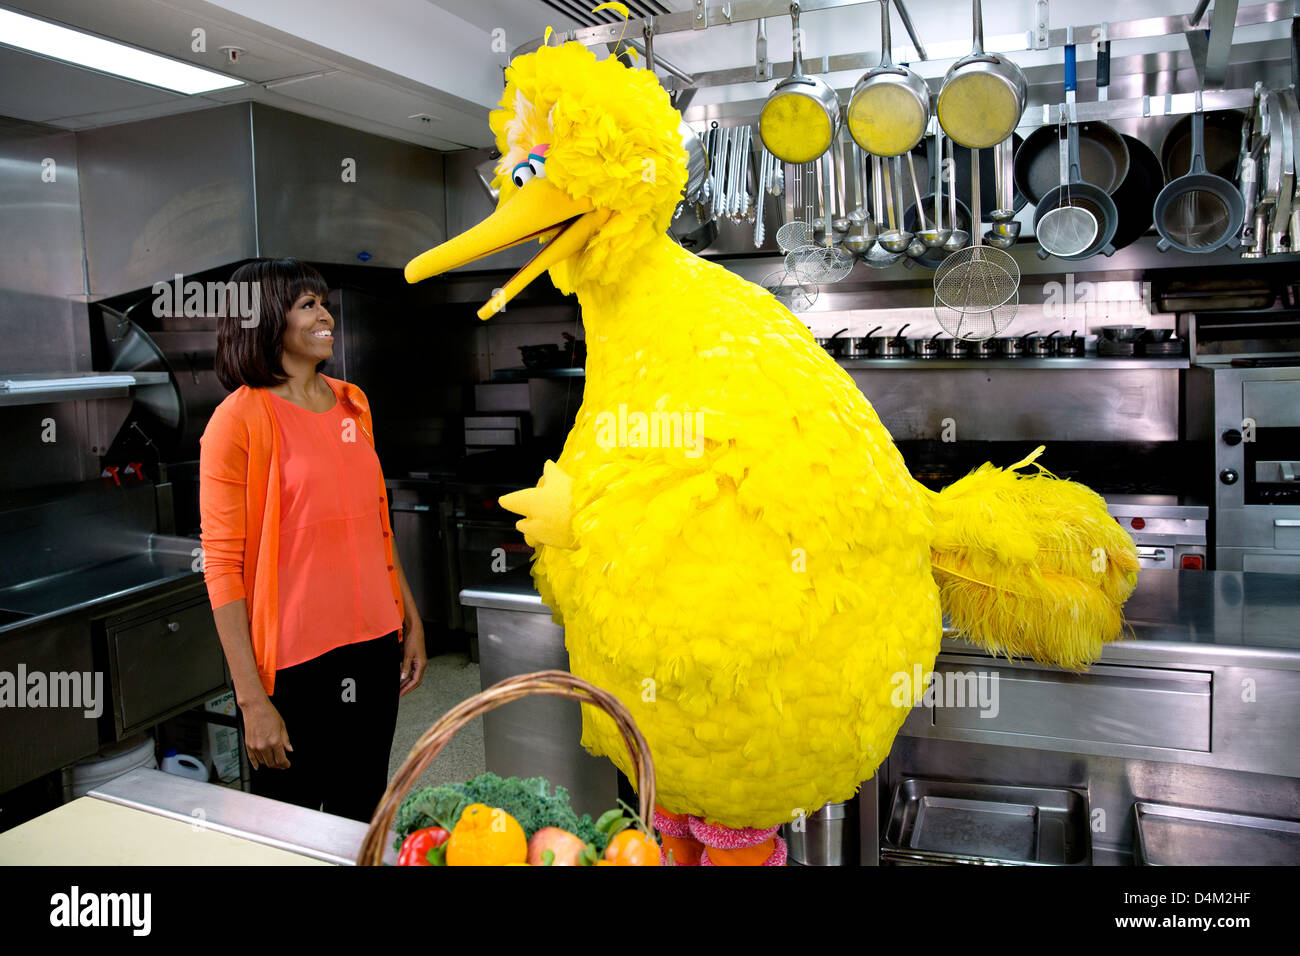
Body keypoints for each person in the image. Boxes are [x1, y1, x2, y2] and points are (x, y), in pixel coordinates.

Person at [199, 257, 426, 822]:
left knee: (361, 813)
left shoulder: (353, 403)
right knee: (292, 827)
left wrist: (409, 616)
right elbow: (222, 565)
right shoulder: (238, 420)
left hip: (373, 644)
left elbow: (375, 524)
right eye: (308, 305)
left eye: (323, 303)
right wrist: (252, 701)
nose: (327, 315)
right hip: (295, 668)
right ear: (265, 319)